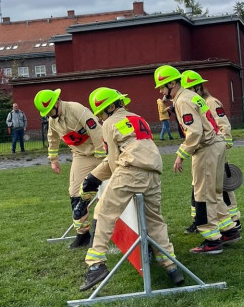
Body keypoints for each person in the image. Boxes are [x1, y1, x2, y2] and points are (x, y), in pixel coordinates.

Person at [78, 86, 184, 292]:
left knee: (104, 212)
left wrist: (94, 177)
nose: (100, 118)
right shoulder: (138, 117)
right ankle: (171, 267)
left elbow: (112, 161)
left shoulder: (109, 123)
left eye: (100, 113)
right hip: (154, 171)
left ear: (107, 108)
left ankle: (96, 264)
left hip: (130, 169)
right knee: (155, 220)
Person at [154, 65, 239, 255]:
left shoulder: (183, 100)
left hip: (206, 148)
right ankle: (228, 229)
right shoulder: (192, 97)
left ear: (172, 84)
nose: (161, 91)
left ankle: (212, 240)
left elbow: (195, 132)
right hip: (215, 144)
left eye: (162, 87)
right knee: (215, 192)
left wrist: (181, 153)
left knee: (202, 195)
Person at [34, 88, 107, 249]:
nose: (48, 115)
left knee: (117, 188)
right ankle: (83, 233)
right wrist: (53, 160)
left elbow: (96, 130)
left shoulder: (76, 109)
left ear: (56, 103)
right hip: (81, 157)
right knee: (75, 193)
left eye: (49, 111)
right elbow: (52, 138)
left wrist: (103, 155)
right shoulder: (53, 120)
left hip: (101, 154)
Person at [182, 70, 242, 234]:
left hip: (214, 147)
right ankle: (202, 220)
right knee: (203, 187)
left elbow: (223, 123)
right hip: (208, 148)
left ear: (198, 87)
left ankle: (233, 219)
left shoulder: (210, 102)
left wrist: (224, 142)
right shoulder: (197, 102)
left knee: (221, 187)